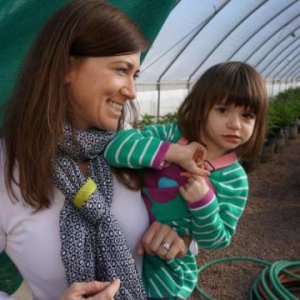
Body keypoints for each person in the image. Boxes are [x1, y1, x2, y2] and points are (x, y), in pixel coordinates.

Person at [0, 1, 188, 299]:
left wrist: (178, 239)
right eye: (121, 70)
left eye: (135, 75)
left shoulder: (131, 149)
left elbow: (186, 224)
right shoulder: (7, 166)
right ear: (66, 67)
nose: (132, 91)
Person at [104, 61, 269, 299]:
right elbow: (116, 148)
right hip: (120, 248)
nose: (235, 124)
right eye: (223, 110)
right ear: (202, 107)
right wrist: (174, 152)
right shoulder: (170, 135)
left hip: (169, 271)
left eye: (247, 115)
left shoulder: (235, 180)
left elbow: (216, 240)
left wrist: (204, 204)